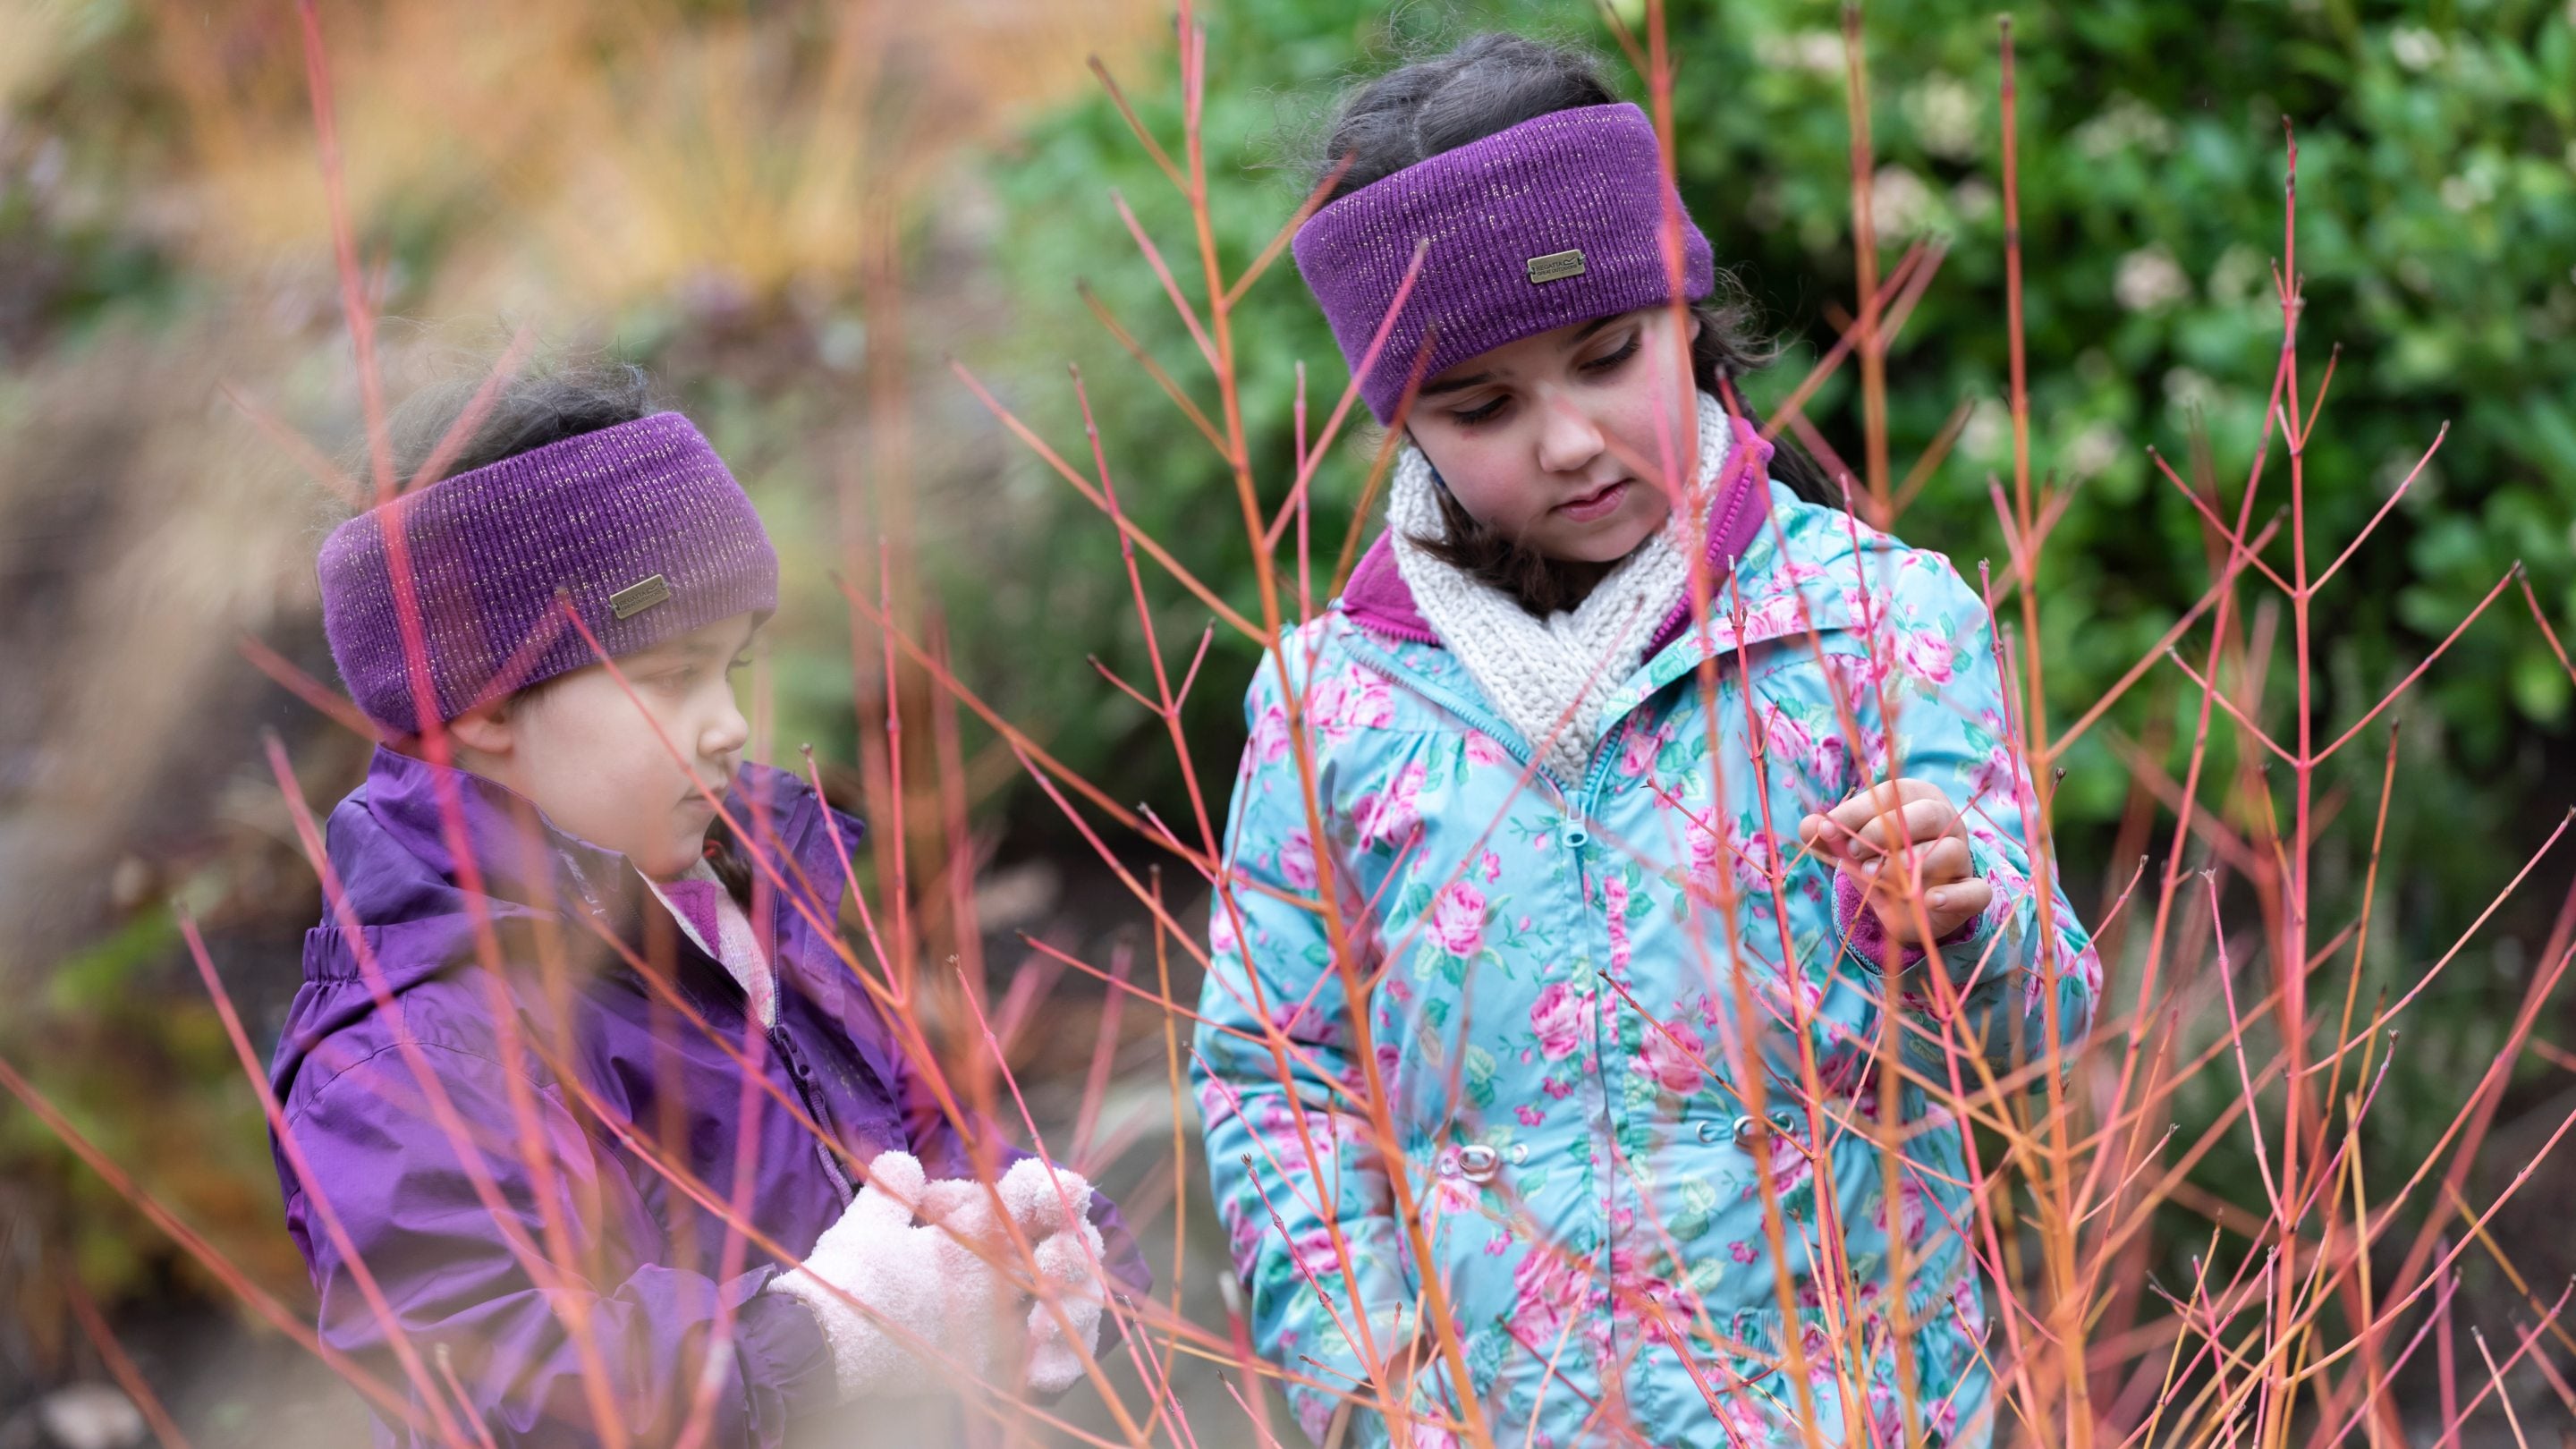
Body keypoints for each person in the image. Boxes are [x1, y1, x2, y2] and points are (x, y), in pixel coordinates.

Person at [1193, 35, 2100, 1448]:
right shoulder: (1332, 706)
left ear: (1690, 317)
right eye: (1480, 406)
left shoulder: (1875, 625)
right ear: (1403, 425)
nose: (1568, 443)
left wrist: (1969, 915)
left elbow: (2040, 1027)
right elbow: (1278, 1075)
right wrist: (1370, 1395)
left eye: (1608, 357)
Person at [267, 363, 1147, 1447]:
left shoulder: (755, 903)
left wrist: (1048, 1244)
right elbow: (496, 1393)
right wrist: (819, 1343)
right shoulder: (410, 1046)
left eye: (734, 667)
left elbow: (923, 1135)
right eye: (674, 675)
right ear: (487, 709)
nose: (729, 723)